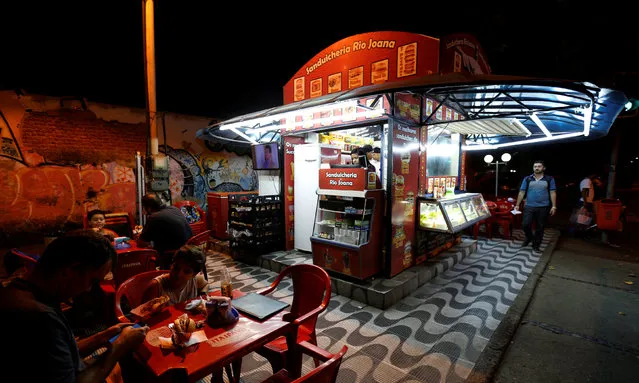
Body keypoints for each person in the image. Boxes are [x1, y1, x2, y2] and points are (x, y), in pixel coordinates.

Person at [0, 230, 148, 383]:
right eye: (93, 281)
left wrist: (101, 336)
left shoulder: (19, 291)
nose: (89, 289)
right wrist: (120, 346)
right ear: (69, 271)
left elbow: (59, 351)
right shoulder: (40, 318)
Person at [137, 193, 193, 269]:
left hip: (172, 254)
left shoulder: (154, 217)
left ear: (149, 208)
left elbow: (141, 242)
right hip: (189, 248)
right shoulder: (173, 209)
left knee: (146, 252)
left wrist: (139, 236)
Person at [141, 245, 209, 305]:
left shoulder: (196, 280)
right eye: (176, 267)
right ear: (172, 265)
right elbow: (142, 315)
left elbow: (205, 285)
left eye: (186, 271)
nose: (179, 274)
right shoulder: (156, 287)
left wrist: (202, 296)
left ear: (194, 274)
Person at [514, 160, 557, 251]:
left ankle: (536, 245)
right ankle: (529, 237)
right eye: (535, 166)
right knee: (525, 224)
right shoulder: (528, 179)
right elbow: (522, 192)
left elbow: (552, 192)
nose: (536, 168)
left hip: (543, 207)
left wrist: (554, 206)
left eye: (539, 166)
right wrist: (517, 204)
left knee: (540, 227)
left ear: (544, 168)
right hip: (529, 206)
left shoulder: (549, 179)